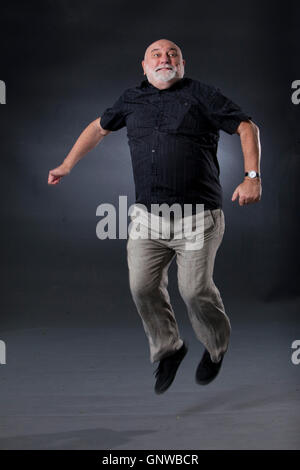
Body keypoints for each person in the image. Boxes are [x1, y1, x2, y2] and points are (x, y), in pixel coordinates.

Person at [48, 38, 262, 395]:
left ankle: (216, 346)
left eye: (173, 54)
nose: (165, 59)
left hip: (199, 216)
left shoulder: (202, 95)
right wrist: (68, 164)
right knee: (141, 287)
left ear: (182, 63)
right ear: (144, 66)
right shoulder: (131, 99)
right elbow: (99, 127)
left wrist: (252, 177)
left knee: (194, 291)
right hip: (148, 219)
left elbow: (246, 127)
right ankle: (169, 349)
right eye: (157, 55)